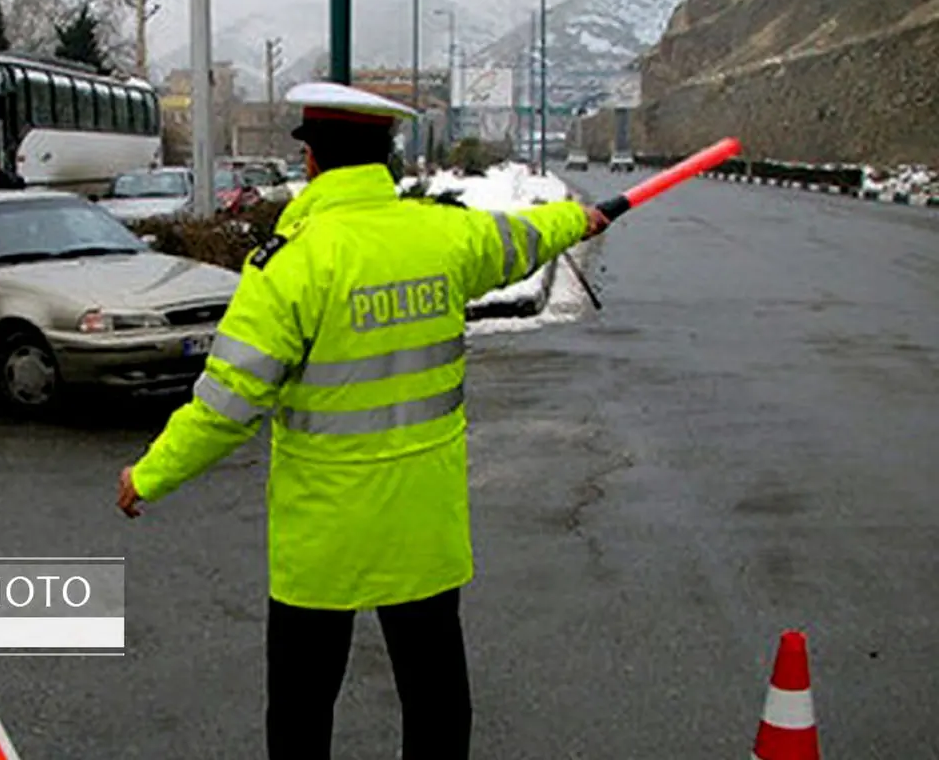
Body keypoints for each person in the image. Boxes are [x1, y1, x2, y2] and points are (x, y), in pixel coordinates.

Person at [115, 81, 612, 759]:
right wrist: (577, 220)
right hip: (422, 532)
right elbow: (523, 237)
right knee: (436, 701)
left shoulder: (292, 265)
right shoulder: (444, 236)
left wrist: (149, 475)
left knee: (301, 708)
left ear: (313, 162)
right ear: (385, 159)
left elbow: (227, 404)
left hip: (324, 541)